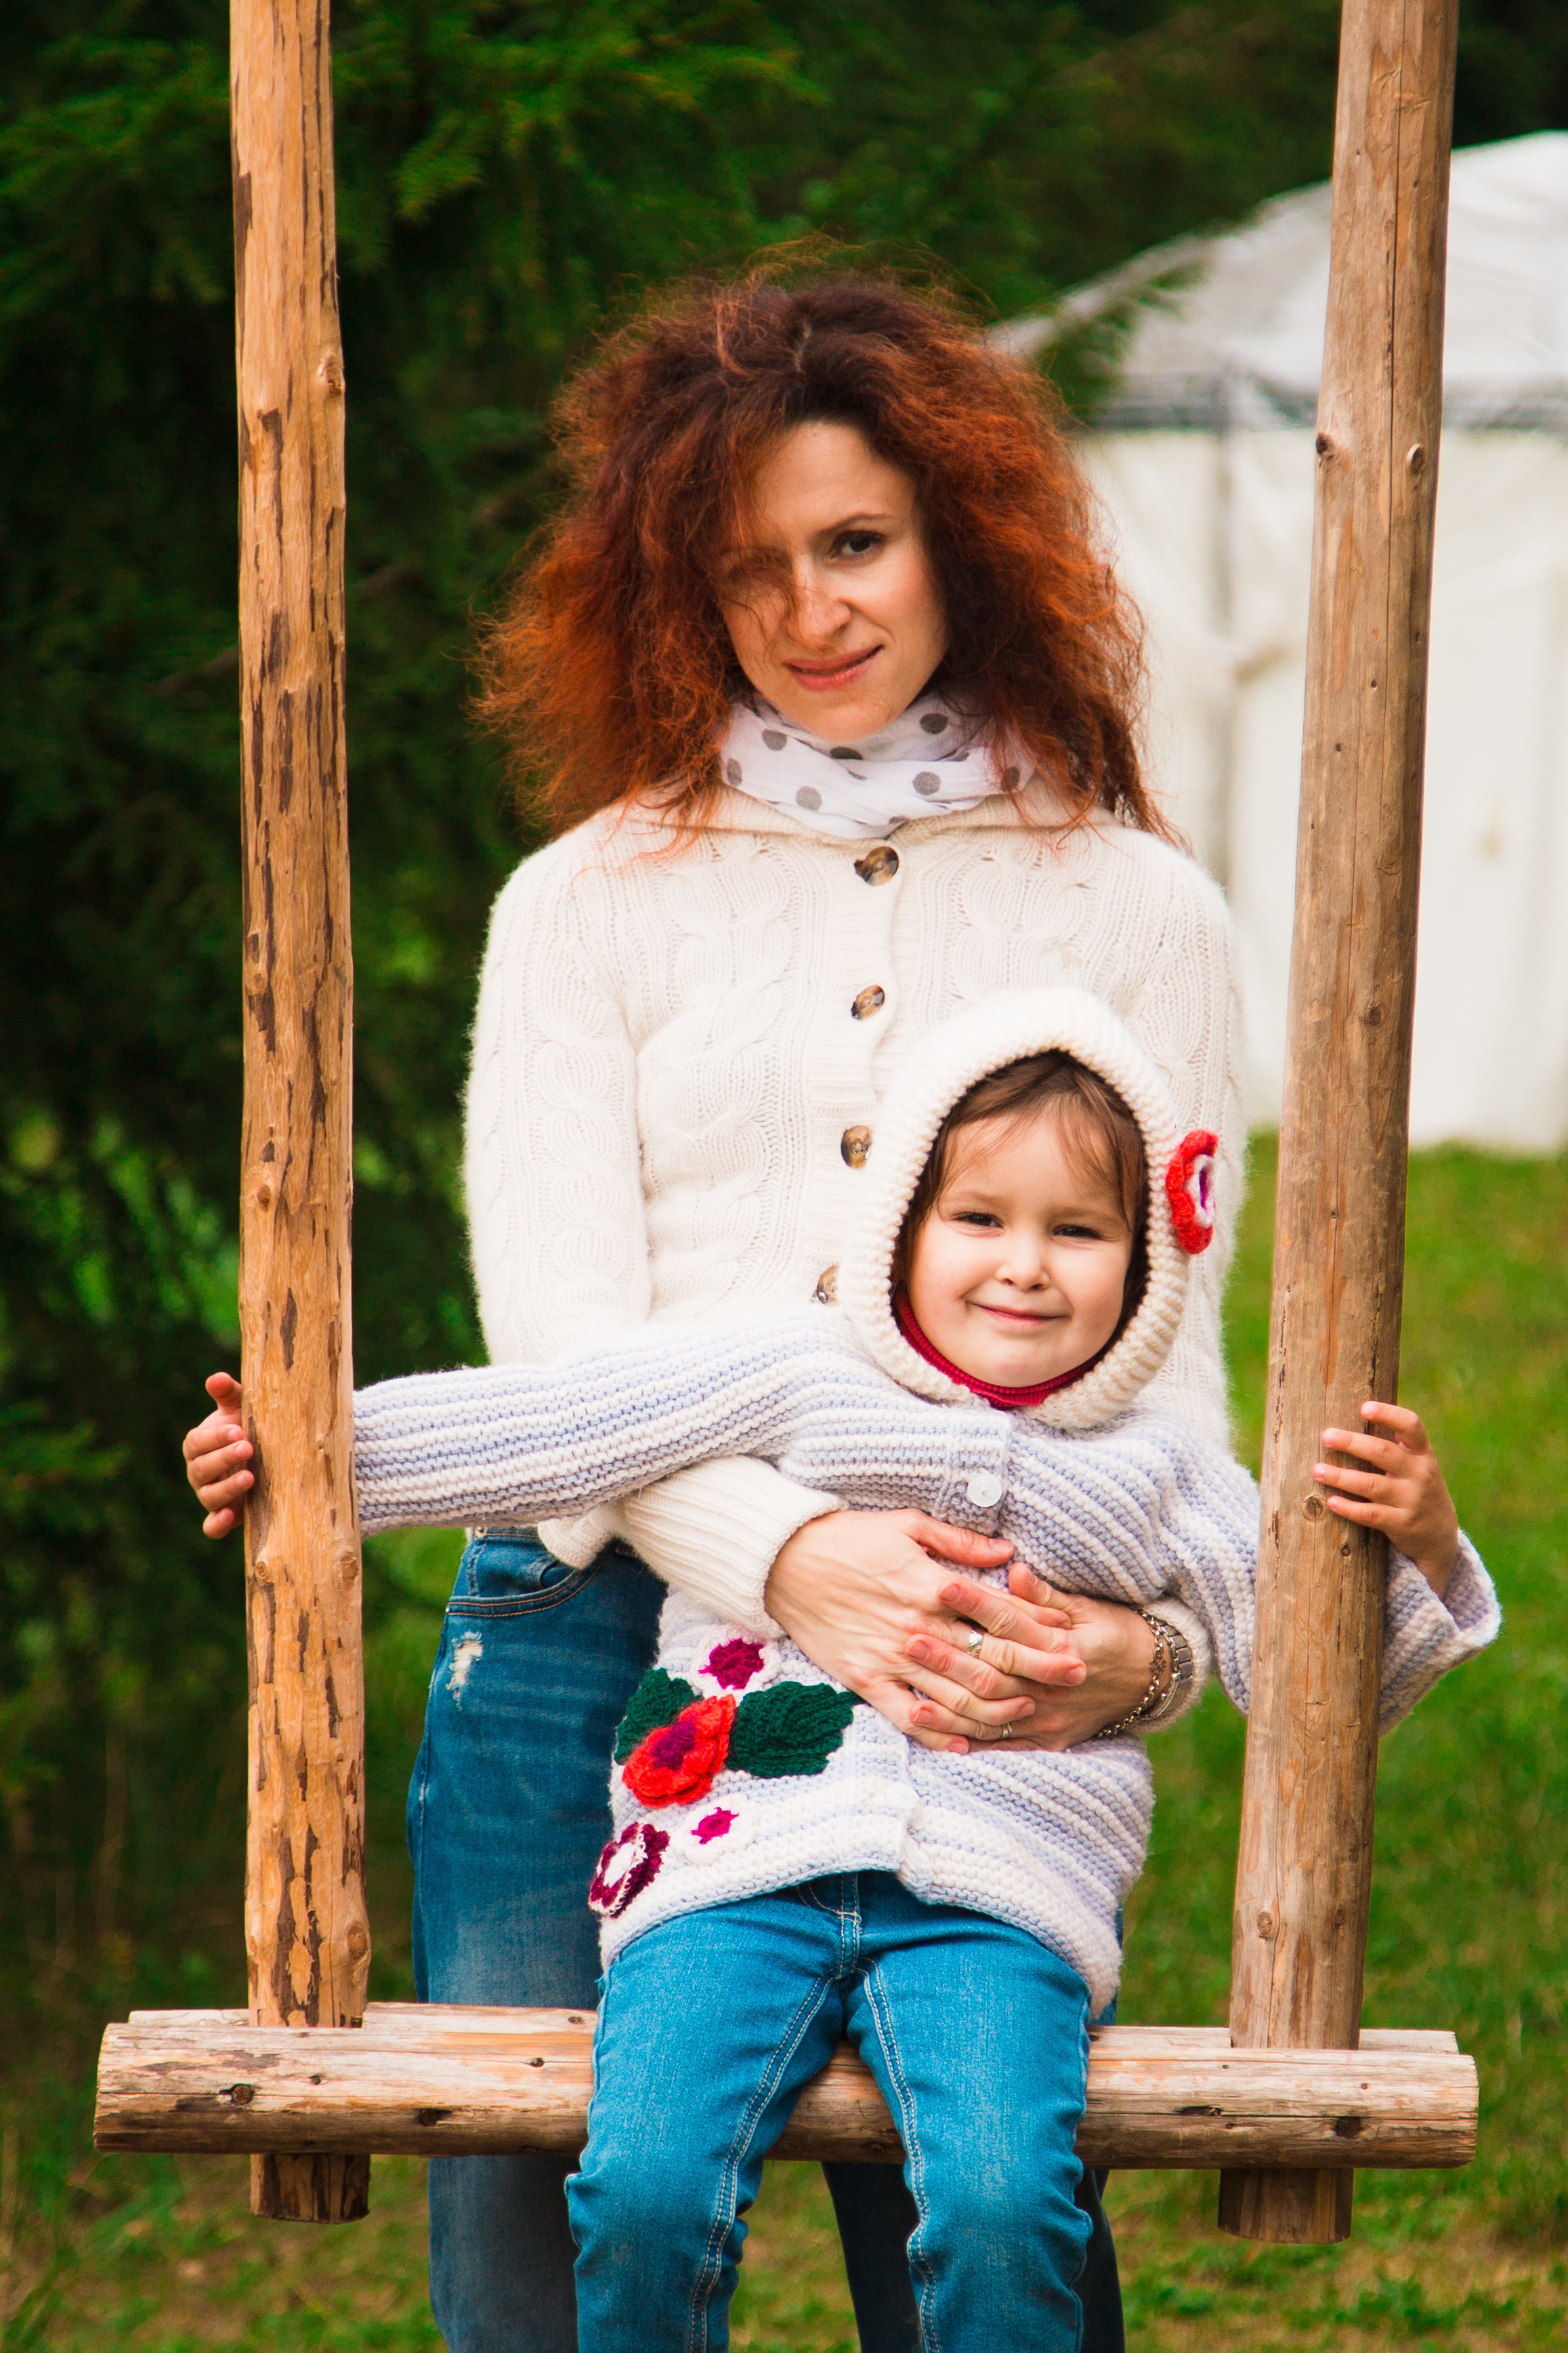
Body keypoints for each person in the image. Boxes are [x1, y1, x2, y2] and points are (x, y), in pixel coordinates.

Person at [186, 265, 1252, 2351]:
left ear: (959, 532)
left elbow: (1165, 1364)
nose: (808, 609)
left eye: (853, 541)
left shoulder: (1137, 902)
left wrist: (1136, 1654)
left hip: (970, 1638)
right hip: (583, 1627)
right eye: (744, 566)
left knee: (977, 2203)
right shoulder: (588, 899)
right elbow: (569, 1354)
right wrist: (788, 1554)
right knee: (546, 2228)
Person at [190, 989, 1498, 2353]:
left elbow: (1328, 1672)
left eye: (1081, 1231)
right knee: (640, 2189)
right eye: (980, 1220)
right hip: (721, 1880)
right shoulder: (808, 1374)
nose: (1026, 1267)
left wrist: (1426, 1541)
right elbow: (561, 1425)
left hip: (998, 1909)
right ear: (904, 1233)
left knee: (1006, 2209)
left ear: (1149, 1261)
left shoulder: (1164, 1479)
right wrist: (310, 1449)